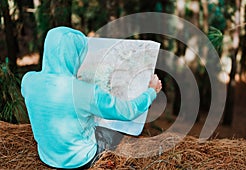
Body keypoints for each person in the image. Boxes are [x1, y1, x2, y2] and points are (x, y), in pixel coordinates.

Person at [21, 26, 162, 169]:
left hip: (47, 157)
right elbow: (128, 111)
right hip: (81, 160)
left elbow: (51, 103)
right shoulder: (85, 91)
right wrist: (151, 91)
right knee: (115, 132)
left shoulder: (28, 81)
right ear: (75, 56)